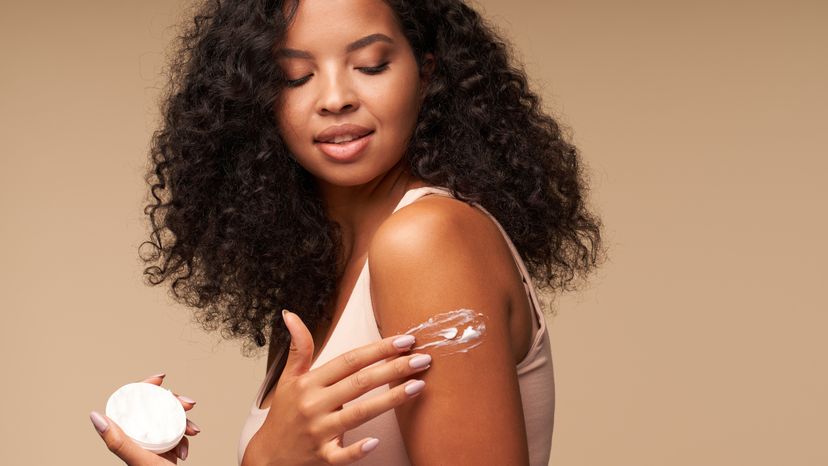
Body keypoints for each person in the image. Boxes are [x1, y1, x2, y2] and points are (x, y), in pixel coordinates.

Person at [89, 0, 604, 464]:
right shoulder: (322, 266)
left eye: (370, 65)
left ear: (426, 73)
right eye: (294, 76)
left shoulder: (426, 240)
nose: (335, 98)